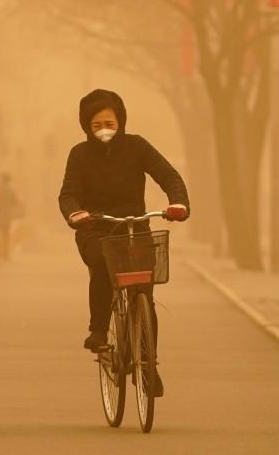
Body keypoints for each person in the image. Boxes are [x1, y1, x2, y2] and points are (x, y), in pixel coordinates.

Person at [58, 89, 190, 397]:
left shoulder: (137, 147)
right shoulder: (79, 154)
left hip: (134, 227)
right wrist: (75, 213)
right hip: (95, 228)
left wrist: (179, 202)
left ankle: (148, 363)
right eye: (96, 125)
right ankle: (99, 329)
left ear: (121, 121)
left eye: (110, 122)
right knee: (102, 262)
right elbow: (68, 192)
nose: (104, 129)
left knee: (144, 290)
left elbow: (168, 176)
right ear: (86, 127)